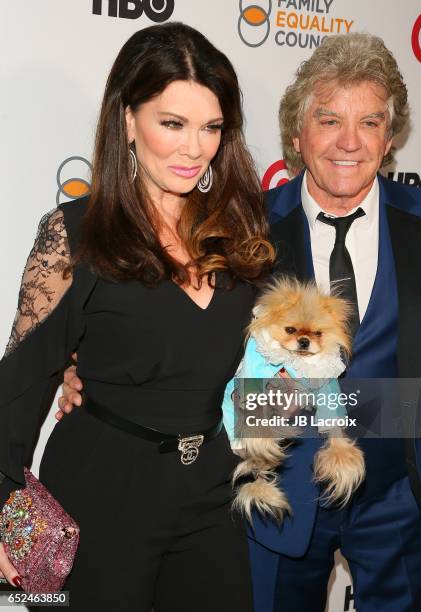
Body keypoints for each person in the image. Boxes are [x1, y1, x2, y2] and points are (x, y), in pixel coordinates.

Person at [58, 33, 421, 612]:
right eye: (329, 119)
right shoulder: (240, 229)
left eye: (371, 122)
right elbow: (183, 338)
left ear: (391, 134)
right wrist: (88, 375)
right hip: (276, 501)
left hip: (401, 504)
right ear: (297, 134)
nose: (349, 143)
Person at [0, 22, 274, 611]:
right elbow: (18, 391)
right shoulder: (75, 235)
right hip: (102, 492)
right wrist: (3, 508)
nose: (193, 147)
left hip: (212, 492)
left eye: (211, 127)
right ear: (128, 119)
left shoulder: (242, 232)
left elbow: (275, 371)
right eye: (171, 123)